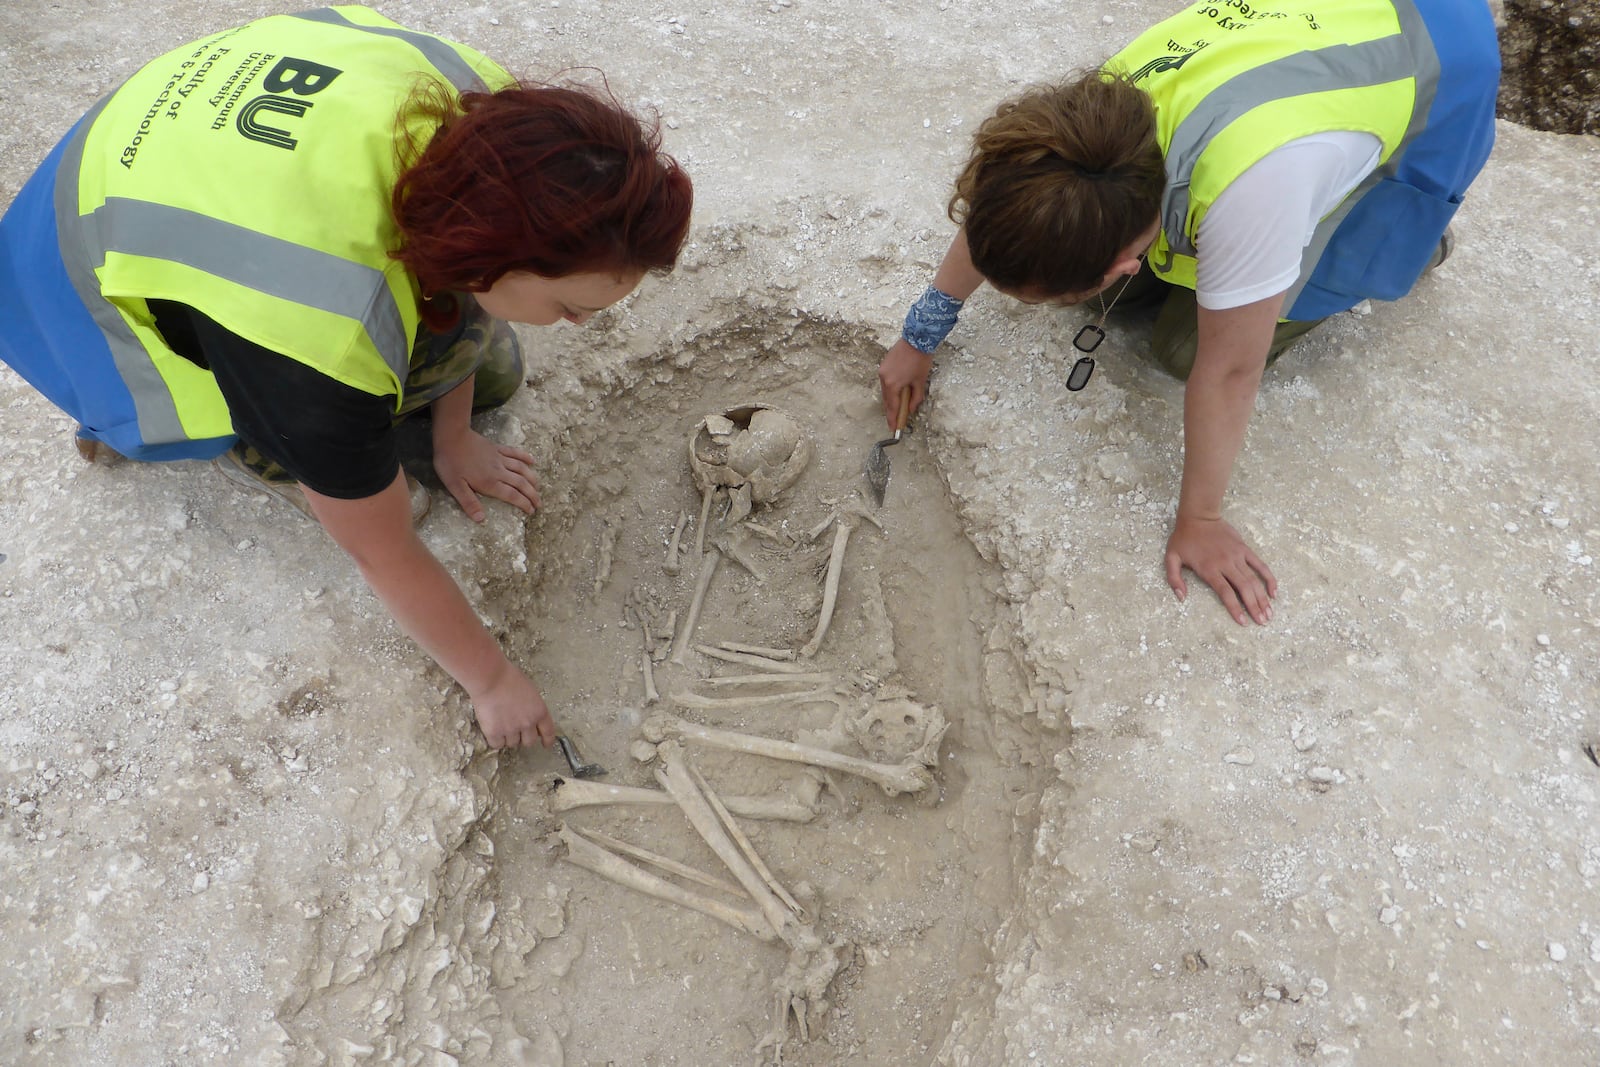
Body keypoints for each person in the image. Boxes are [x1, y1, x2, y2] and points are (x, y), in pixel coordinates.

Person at [0, 7, 693, 748]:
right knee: (365, 481)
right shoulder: (312, 331)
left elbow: (459, 276)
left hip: (193, 139)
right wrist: (492, 681)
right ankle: (259, 446)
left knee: (490, 374)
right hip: (72, 263)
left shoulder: (496, 114)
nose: (582, 326)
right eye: (571, 307)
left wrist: (455, 434)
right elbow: (381, 549)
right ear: (495, 260)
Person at [878, 0, 1498, 626]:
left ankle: (1410, 244)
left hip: (1437, 54)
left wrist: (1199, 520)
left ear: (1125, 260)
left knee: (1184, 349)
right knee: (1119, 290)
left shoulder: (1255, 187)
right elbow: (1004, 217)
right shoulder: (1078, 135)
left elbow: (1230, 371)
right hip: (1330, 29)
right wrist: (920, 333)